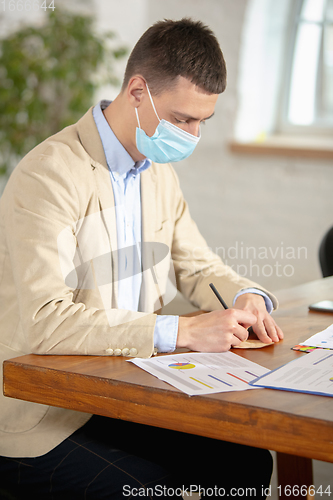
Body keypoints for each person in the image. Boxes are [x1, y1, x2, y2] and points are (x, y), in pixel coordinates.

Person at [0, 18, 283, 499]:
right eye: (182, 119)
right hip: (43, 414)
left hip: (125, 395)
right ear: (137, 91)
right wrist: (183, 331)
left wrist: (246, 296)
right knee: (152, 490)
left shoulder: (157, 172)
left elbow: (195, 265)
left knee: (246, 461)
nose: (193, 136)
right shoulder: (49, 174)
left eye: (202, 122)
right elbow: (47, 321)